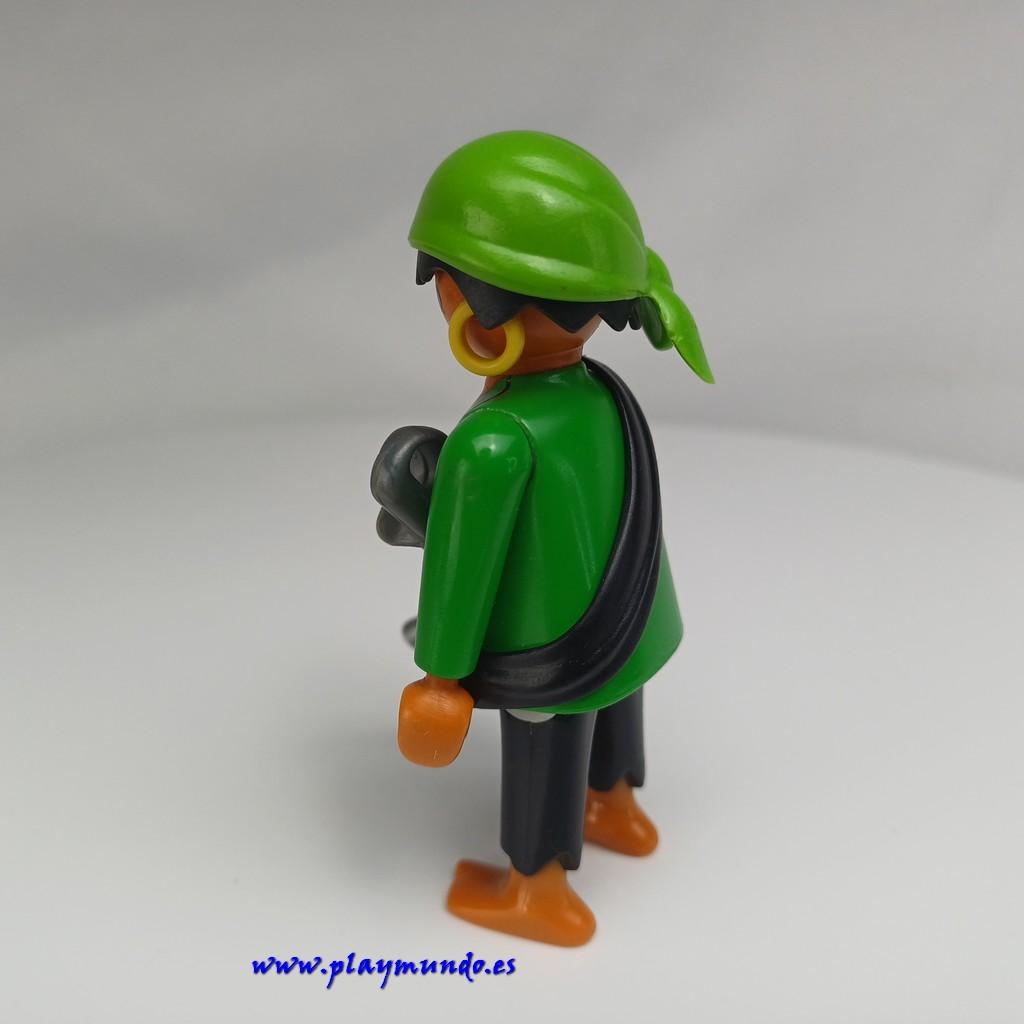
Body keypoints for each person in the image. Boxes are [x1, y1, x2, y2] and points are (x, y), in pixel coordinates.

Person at [381, 131, 712, 946]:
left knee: (543, 742)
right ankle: (617, 807)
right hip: (627, 626)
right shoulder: (602, 392)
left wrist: (440, 680)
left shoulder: (494, 439)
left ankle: (540, 894)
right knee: (614, 705)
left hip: (552, 649)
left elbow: (464, 572)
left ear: (471, 314)